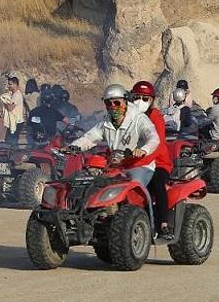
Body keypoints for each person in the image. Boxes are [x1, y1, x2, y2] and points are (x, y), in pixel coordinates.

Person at [69, 84, 160, 193]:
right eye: (108, 103)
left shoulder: (139, 119)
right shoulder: (106, 122)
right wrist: (73, 147)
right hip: (115, 166)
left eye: (117, 103)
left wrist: (143, 150)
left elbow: (153, 138)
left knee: (133, 189)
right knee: (93, 186)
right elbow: (89, 138)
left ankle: (145, 210)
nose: (113, 106)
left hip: (139, 165)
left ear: (126, 102)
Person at [129, 81, 174, 235]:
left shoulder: (156, 118)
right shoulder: (127, 117)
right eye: (137, 97)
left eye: (145, 98)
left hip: (157, 161)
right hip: (130, 162)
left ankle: (163, 222)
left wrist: (142, 156)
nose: (140, 101)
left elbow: (157, 144)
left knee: (157, 183)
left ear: (152, 100)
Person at [1, 76, 26, 142]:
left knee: (11, 141)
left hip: (16, 122)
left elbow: (10, 108)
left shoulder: (16, 95)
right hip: (14, 122)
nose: (9, 86)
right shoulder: (13, 94)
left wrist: (4, 102)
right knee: (9, 140)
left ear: (15, 84)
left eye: (10, 84)